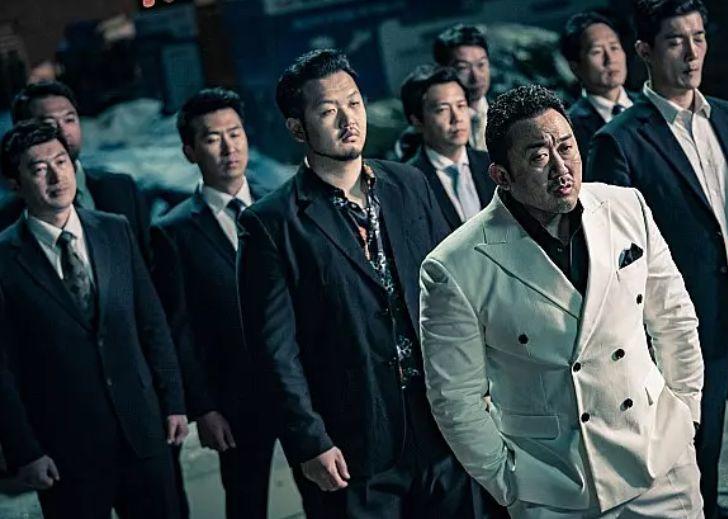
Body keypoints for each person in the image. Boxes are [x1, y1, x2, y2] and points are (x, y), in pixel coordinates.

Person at [419, 84, 705, 518]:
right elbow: (455, 397)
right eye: (538, 157)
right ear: (501, 175)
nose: (561, 168)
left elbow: (674, 318)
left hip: (659, 460)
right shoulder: (454, 266)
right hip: (555, 485)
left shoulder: (626, 206)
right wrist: (507, 482)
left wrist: (686, 413)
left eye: (567, 147)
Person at [236, 48, 483, 518]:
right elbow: (274, 350)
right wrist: (310, 440)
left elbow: (453, 295)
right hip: (352, 444)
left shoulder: (409, 184)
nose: (348, 119)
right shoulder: (271, 223)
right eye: (327, 111)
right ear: (297, 128)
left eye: (353, 103)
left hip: (441, 425)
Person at [586, 1, 728, 518]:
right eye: (675, 41)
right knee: (694, 463)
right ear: (645, 51)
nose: (692, 53)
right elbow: (618, 258)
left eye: (699, 38)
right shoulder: (618, 141)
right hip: (685, 326)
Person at [0, 120, 188, 519]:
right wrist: (25, 451)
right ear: (15, 184)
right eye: (39, 169)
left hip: (143, 432)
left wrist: (173, 402)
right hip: (64, 451)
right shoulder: (5, 258)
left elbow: (152, 324)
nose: (56, 176)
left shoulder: (114, 230)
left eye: (61, 162)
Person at [150, 88, 277, 519]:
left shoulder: (278, 204)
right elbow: (179, 328)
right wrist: (203, 407)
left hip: (299, 385)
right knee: (246, 502)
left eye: (235, 133)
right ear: (190, 152)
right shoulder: (173, 231)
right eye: (212, 138)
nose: (229, 148)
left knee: (328, 495)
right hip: (234, 397)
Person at [0, 81, 151, 261]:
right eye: (48, 123)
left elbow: (147, 263)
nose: (63, 130)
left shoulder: (123, 189)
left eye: (69, 119)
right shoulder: (8, 219)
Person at [401, 65, 493, 230]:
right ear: (417, 121)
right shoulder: (408, 183)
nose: (457, 118)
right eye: (442, 110)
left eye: (461, 105)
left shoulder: (491, 164)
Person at [562, 11, 637, 163]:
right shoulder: (569, 128)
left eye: (614, 47)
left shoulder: (651, 105)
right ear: (575, 67)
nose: (610, 59)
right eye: (596, 51)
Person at [434, 24, 492, 153]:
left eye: (481, 64)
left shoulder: (510, 112)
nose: (476, 77)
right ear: (442, 70)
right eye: (463, 68)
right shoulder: (434, 127)